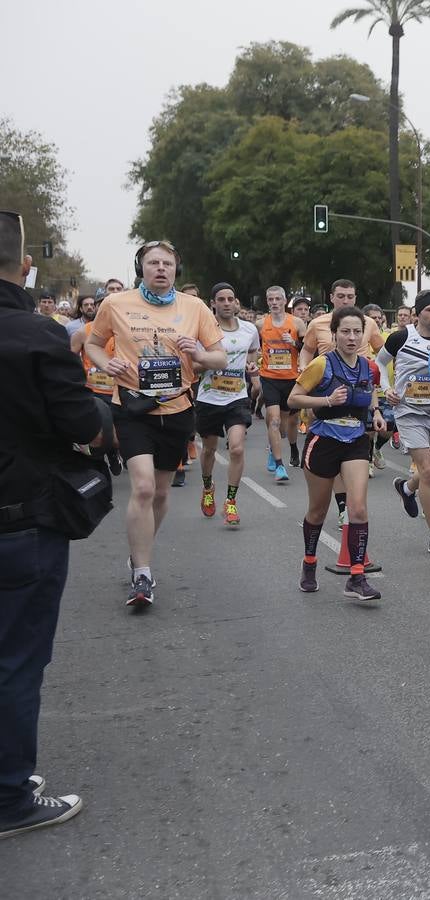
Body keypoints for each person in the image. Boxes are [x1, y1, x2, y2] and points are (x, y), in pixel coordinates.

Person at [0, 209, 105, 837]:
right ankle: (10, 796)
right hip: (21, 521)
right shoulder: (38, 336)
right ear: (27, 264)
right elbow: (86, 429)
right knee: (16, 660)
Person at [85, 240, 226, 609]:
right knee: (144, 488)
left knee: (161, 494)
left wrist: (199, 354)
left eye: (167, 263)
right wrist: (105, 364)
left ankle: (139, 551)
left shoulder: (194, 307)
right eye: (153, 263)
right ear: (141, 267)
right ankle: (142, 573)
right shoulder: (116, 304)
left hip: (177, 409)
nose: (160, 268)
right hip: (132, 408)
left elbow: (220, 357)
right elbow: (94, 344)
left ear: (176, 269)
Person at [289, 306, 386, 601]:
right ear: (335, 334)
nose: (352, 337)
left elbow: (370, 392)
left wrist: (377, 412)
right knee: (318, 511)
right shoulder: (322, 364)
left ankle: (357, 577)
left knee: (357, 509)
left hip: (355, 439)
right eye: (345, 331)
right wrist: (327, 399)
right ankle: (309, 563)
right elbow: (293, 399)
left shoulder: (368, 366)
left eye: (357, 331)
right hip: (324, 440)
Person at [379, 290, 430, 556]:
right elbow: (380, 363)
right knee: (428, 473)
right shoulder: (402, 337)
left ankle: (407, 488)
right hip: (408, 412)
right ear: (418, 313)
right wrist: (387, 390)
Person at [194, 283, 260, 528]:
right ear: (212, 303)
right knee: (209, 449)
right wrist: (213, 362)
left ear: (236, 302)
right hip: (209, 398)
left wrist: (252, 370)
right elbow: (195, 366)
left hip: (237, 397)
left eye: (230, 299)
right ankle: (208, 486)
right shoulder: (204, 330)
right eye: (220, 299)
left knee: (237, 449)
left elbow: (252, 353)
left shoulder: (249, 329)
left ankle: (231, 502)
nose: (226, 303)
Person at [258, 285, 306, 479]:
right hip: (269, 377)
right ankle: (279, 466)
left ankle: (281, 448)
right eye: (271, 299)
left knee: (286, 425)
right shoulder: (261, 324)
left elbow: (307, 348)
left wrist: (293, 342)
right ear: (267, 301)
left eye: (278, 299)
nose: (275, 303)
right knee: (275, 420)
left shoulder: (297, 323)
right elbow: (253, 348)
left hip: (291, 379)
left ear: (285, 301)